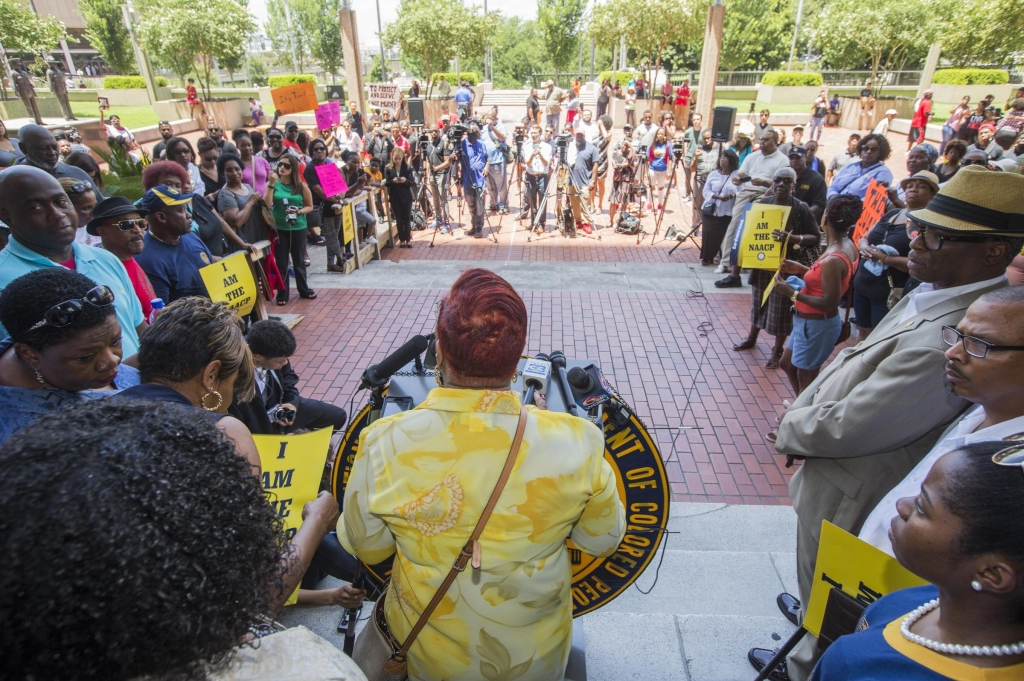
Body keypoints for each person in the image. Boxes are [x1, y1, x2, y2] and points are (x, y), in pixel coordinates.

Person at [760, 166, 1024, 681]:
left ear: (994, 251)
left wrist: (791, 428)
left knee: (834, 611)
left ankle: (804, 666)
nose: (913, 239)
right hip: (843, 478)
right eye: (917, 227)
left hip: (853, 483)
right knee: (817, 595)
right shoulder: (940, 298)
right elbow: (854, 361)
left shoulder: (953, 331)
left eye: (934, 234)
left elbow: (860, 421)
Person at [338, 268, 625, 681]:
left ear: (440, 350)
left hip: (425, 653)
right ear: (518, 355)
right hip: (534, 656)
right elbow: (601, 540)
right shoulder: (577, 440)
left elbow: (371, 548)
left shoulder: (385, 441)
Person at [812, 442, 1024, 680]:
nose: (902, 505)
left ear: (991, 574)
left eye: (923, 507)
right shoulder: (930, 597)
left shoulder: (866, 669)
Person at [858, 287, 1024, 558]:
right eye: (959, 336)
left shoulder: (1014, 472)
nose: (953, 353)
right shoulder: (982, 406)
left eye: (980, 344)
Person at [0, 166, 144, 354]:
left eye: (60, 201)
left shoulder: (106, 258)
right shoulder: (4, 279)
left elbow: (139, 328)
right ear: (6, 216)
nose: (57, 214)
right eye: (36, 207)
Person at [0, 269, 140, 444]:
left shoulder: (52, 359)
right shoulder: (40, 438)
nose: (113, 360)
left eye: (115, 342)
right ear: (30, 355)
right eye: (86, 357)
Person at [730, 167, 822, 369]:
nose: (781, 184)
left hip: (786, 267)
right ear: (772, 182)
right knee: (758, 303)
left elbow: (815, 237)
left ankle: (777, 350)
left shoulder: (800, 208)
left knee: (780, 310)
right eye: (778, 180)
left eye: (786, 181)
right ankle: (751, 338)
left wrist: (792, 238)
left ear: (793, 186)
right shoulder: (761, 204)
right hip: (762, 264)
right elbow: (745, 233)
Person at [774, 196, 861, 396]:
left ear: (825, 218)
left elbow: (829, 303)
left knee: (807, 380)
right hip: (805, 323)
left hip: (816, 326)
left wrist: (792, 293)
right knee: (787, 364)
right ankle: (799, 407)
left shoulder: (833, 258)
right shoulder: (845, 243)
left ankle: (801, 415)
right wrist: (802, 269)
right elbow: (827, 280)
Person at [853, 171, 939, 341]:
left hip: (889, 293)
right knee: (862, 332)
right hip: (863, 285)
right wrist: (864, 248)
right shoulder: (892, 214)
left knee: (879, 339)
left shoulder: (928, 225)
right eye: (910, 186)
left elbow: (924, 262)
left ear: (932, 195)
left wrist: (885, 259)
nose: (913, 189)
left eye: (921, 187)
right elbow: (864, 238)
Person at [227, 318, 348, 436]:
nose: (285, 364)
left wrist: (291, 403)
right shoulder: (232, 375)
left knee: (337, 416)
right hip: (256, 425)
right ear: (257, 356)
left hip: (280, 409)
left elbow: (288, 379)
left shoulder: (274, 351)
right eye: (281, 361)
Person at [715, 129, 789, 281]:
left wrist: (763, 182)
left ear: (775, 142)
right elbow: (741, 173)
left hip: (766, 194)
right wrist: (737, 178)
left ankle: (749, 263)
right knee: (735, 224)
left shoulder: (782, 160)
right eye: (761, 139)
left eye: (767, 140)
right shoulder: (752, 156)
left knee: (753, 227)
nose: (762, 142)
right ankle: (725, 262)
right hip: (746, 191)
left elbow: (781, 182)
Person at [134, 185, 213, 303]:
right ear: (161, 217)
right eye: (181, 210)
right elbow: (164, 316)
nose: (189, 215)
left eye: (186, 209)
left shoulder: (188, 235)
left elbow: (206, 262)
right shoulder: (149, 261)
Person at [86, 196, 157, 318]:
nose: (137, 230)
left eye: (141, 223)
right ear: (102, 232)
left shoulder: (129, 257)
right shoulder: (102, 273)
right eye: (126, 225)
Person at [265, 153, 315, 304]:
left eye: (287, 166)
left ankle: (303, 289)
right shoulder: (274, 184)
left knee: (298, 259)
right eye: (280, 164)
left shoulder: (301, 186)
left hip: (298, 227)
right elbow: (266, 204)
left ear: (293, 168)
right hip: (280, 227)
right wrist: (271, 183)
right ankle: (283, 293)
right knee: (281, 261)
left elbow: (310, 206)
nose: (282, 168)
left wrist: (299, 211)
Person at [17, 125, 101, 195]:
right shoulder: (11, 181)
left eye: (55, 147)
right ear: (23, 148)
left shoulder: (78, 173)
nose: (52, 153)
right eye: (43, 148)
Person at [305, 139, 346, 272]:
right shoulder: (310, 168)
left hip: (336, 205)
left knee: (335, 232)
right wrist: (335, 200)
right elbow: (317, 190)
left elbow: (340, 182)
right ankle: (340, 256)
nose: (319, 151)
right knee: (330, 234)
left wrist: (341, 196)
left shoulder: (329, 163)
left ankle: (330, 263)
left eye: (322, 148)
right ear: (312, 152)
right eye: (316, 149)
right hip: (323, 206)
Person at [217, 153, 268, 250]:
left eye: (237, 169)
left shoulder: (248, 187)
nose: (234, 173)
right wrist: (251, 202)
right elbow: (236, 223)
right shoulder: (225, 194)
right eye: (229, 170)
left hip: (259, 238)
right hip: (244, 244)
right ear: (223, 173)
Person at [699, 148, 739, 266]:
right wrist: (717, 196)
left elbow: (741, 191)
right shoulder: (713, 174)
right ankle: (706, 257)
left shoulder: (737, 175)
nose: (722, 160)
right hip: (711, 209)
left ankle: (722, 257)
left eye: (725, 158)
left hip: (727, 211)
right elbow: (705, 191)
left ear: (731, 160)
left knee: (723, 235)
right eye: (720, 158)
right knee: (708, 233)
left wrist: (732, 195)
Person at [827, 133, 894, 200]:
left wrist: (846, 205)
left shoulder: (883, 173)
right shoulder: (851, 166)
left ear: (880, 152)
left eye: (874, 149)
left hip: (855, 208)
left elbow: (873, 199)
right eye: (865, 148)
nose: (868, 151)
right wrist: (833, 197)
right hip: (834, 205)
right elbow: (833, 187)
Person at [567, 120, 599, 234]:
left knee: (586, 203)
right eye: (577, 134)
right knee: (574, 202)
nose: (579, 136)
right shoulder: (570, 146)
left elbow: (595, 164)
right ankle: (578, 221)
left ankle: (586, 223)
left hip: (585, 181)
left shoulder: (591, 148)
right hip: (571, 180)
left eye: (581, 134)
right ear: (574, 135)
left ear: (584, 135)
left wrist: (593, 180)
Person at [459, 124, 488, 238]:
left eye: (476, 134)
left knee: (480, 205)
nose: (474, 136)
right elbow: (455, 157)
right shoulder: (463, 144)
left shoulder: (481, 144)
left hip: (480, 179)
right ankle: (474, 225)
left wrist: (487, 167)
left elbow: (487, 157)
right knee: (471, 205)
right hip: (467, 179)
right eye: (471, 134)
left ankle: (479, 227)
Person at [385, 146, 416, 249]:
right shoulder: (388, 168)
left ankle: (408, 239)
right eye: (395, 159)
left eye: (399, 158)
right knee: (399, 219)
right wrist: (393, 181)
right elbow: (387, 182)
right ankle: (401, 240)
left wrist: (405, 180)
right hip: (395, 197)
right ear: (392, 158)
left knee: (407, 218)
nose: (397, 161)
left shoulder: (407, 167)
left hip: (406, 196)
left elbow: (411, 182)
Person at [523, 126, 552, 235]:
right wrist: (531, 156)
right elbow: (528, 163)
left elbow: (546, 163)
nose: (533, 135)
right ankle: (533, 221)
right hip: (531, 175)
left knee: (543, 201)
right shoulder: (527, 146)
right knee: (532, 200)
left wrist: (540, 155)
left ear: (540, 134)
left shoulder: (547, 147)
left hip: (542, 176)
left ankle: (541, 223)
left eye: (535, 133)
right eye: (532, 133)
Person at [58, 177, 100, 247]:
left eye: (95, 205)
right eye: (85, 208)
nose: (93, 212)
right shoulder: (61, 237)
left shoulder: (99, 226)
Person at [481, 108, 509, 214]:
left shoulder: (501, 127)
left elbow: (502, 138)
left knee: (501, 186)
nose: (489, 119)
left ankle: (503, 205)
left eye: (491, 117)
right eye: (488, 117)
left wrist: (492, 127)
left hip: (498, 161)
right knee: (490, 186)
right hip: (486, 162)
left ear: (495, 117)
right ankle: (493, 203)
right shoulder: (483, 129)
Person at [789, 146, 827, 221]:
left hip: (805, 219)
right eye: (791, 158)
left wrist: (799, 215)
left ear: (806, 158)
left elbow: (818, 206)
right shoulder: (784, 174)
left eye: (798, 157)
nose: (794, 160)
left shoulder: (816, 179)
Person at [233, 129, 272, 195]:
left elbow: (270, 180)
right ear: (237, 146)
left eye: (249, 145)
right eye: (243, 145)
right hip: (247, 201)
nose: (247, 148)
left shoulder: (262, 161)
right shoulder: (236, 164)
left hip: (265, 201)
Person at [647, 127, 672, 212]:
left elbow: (670, 158)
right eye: (659, 134)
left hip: (663, 170)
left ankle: (660, 204)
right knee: (651, 187)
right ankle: (649, 204)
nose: (660, 135)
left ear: (665, 135)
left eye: (662, 134)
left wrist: (669, 171)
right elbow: (648, 158)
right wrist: (646, 172)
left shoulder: (668, 145)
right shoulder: (653, 145)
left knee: (661, 188)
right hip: (652, 168)